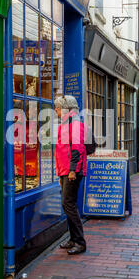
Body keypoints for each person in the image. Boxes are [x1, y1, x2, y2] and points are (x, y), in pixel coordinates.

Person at [54, 95, 87, 255]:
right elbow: (62, 149)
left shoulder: (75, 123)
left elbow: (77, 148)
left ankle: (80, 242)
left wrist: (73, 170)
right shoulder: (67, 123)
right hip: (66, 171)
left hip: (72, 171)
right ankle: (73, 239)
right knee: (68, 205)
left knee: (69, 205)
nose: (56, 110)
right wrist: (60, 174)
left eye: (58, 108)